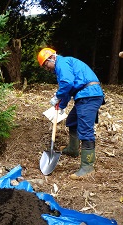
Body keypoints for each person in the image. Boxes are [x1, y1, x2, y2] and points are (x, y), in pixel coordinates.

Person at [37, 47, 105, 180]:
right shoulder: (62, 66)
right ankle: (73, 149)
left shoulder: (62, 63)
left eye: (46, 65)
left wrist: (57, 96)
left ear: (52, 58)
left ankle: (87, 166)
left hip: (89, 95)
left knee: (85, 130)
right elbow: (69, 88)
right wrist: (61, 105)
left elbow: (67, 84)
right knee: (72, 121)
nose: (47, 69)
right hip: (83, 95)